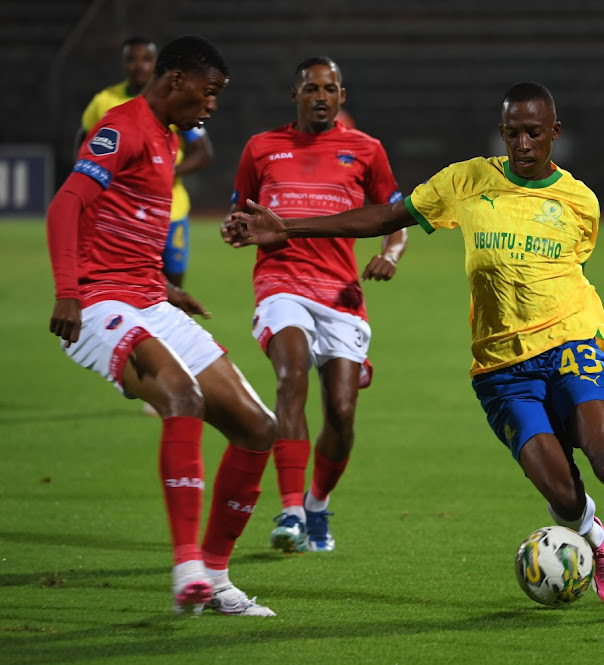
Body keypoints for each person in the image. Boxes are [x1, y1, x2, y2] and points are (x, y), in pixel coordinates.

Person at [222, 81, 604, 621]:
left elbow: (569, 267)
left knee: (603, 448)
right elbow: (385, 218)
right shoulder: (466, 180)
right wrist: (286, 228)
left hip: (570, 341)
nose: (522, 143)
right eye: (512, 133)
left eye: (533, 132)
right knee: (564, 495)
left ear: (555, 132)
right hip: (501, 367)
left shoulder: (579, 201)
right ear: (501, 132)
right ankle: (593, 538)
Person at [48, 35, 276, 618]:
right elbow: (67, 204)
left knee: (257, 427)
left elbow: (126, 224)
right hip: (99, 303)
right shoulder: (121, 127)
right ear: (176, 81)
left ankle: (218, 577)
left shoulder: (167, 138)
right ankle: (186, 570)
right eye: (210, 93)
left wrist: (168, 291)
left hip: (149, 300)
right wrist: (69, 292)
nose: (213, 106)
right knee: (182, 396)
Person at [228, 56, 407, 554]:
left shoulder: (366, 150)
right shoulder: (262, 148)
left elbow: (397, 215)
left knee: (343, 412)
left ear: (342, 96)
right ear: (296, 96)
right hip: (280, 282)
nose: (321, 96)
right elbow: (240, 212)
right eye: (311, 88)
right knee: (291, 376)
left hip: (340, 292)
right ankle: (289, 512)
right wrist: (234, 227)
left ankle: (316, 502)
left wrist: (390, 253)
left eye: (330, 88)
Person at [75, 35, 213, 288]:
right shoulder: (104, 101)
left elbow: (203, 152)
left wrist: (165, 171)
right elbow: (84, 141)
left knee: (173, 289)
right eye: (131, 59)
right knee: (126, 285)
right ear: (123, 64)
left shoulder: (173, 101)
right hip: (121, 213)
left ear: (156, 64)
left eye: (146, 59)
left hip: (170, 211)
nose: (139, 66)